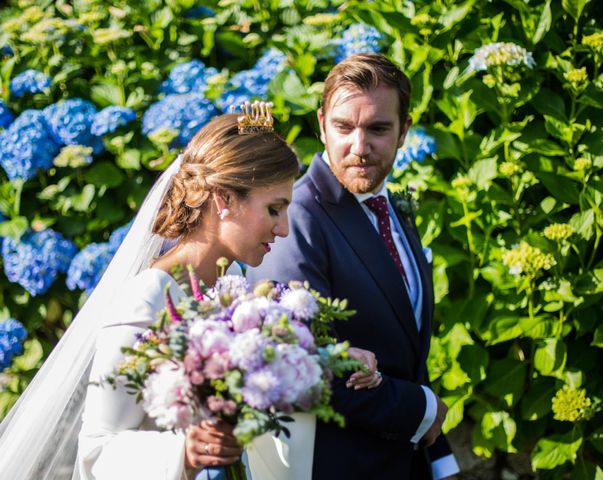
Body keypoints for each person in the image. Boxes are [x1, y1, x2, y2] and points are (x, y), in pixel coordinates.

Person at [0, 111, 381, 480]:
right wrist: (184, 454)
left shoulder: (232, 283)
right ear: (224, 200)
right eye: (274, 209)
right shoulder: (148, 298)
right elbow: (96, 451)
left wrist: (324, 359)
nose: (283, 230)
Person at [246, 54, 460, 479]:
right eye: (344, 127)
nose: (359, 148)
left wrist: (440, 459)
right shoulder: (296, 218)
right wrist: (424, 408)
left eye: (378, 128)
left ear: (404, 131)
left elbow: (404, 349)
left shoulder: (392, 208)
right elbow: (300, 365)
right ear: (322, 122)